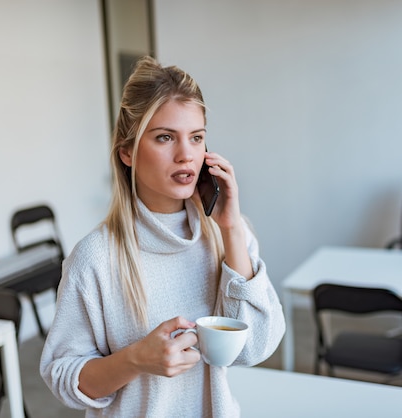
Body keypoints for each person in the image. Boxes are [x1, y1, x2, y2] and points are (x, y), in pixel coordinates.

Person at [40, 56, 285, 418]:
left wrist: (231, 229)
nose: (186, 154)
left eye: (197, 138)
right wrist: (135, 360)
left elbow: (255, 347)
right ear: (128, 152)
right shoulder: (94, 258)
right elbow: (63, 376)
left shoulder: (229, 234)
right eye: (165, 137)